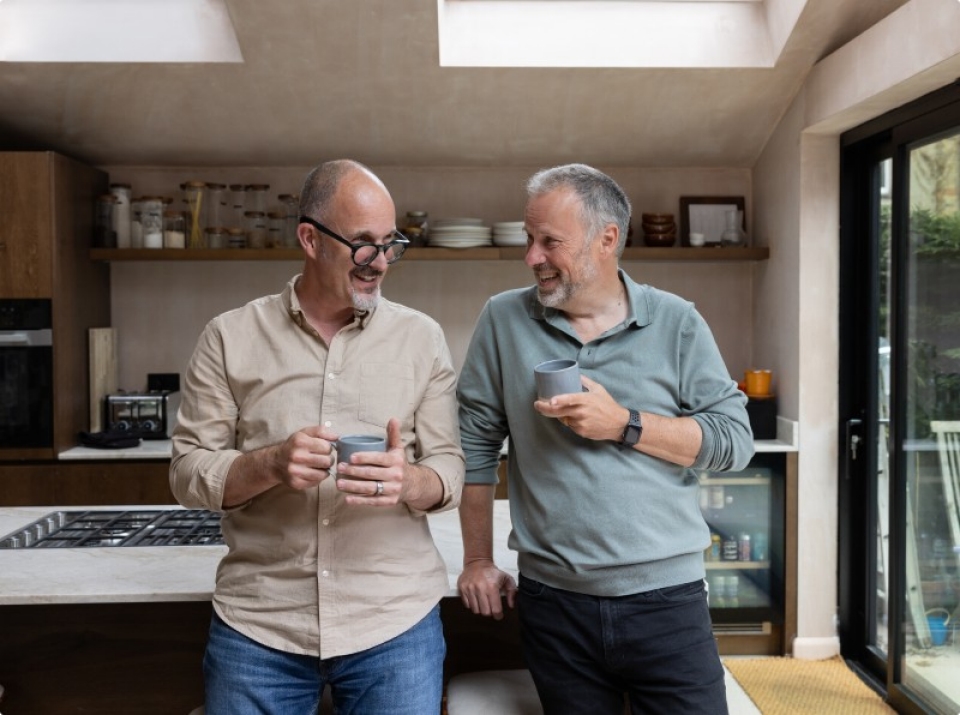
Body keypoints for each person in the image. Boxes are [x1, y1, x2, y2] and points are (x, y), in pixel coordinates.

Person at [456, 163, 754, 714]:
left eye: (550, 242)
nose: (532, 258)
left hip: (667, 601)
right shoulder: (502, 320)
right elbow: (473, 448)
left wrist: (624, 424)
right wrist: (477, 560)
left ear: (607, 239)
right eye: (529, 239)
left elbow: (735, 441)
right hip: (553, 605)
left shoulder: (676, 322)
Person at [170, 159, 464, 715]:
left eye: (389, 243)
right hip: (260, 625)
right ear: (309, 238)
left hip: (393, 623)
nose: (379, 262)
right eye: (361, 244)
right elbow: (187, 473)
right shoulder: (229, 336)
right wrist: (270, 464)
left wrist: (410, 481)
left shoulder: (422, 338)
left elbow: (450, 467)